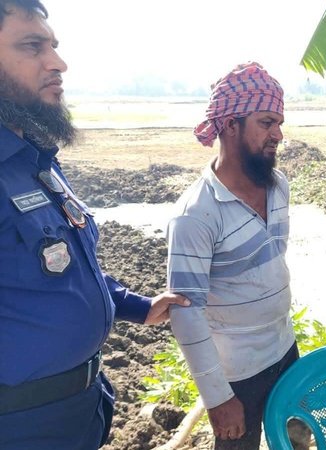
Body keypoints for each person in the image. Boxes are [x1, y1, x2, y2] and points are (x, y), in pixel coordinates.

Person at [0, 2, 189, 449]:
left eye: (54, 46)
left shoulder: (37, 162)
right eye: (32, 45)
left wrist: (135, 306)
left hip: (81, 409)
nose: (58, 63)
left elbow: (62, 265)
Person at [166, 62, 307, 450]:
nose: (278, 134)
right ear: (230, 125)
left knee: (297, 439)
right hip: (236, 374)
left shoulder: (278, 186)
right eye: (266, 122)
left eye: (279, 122)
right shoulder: (195, 215)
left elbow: (271, 261)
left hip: (285, 349)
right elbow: (186, 311)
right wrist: (217, 397)